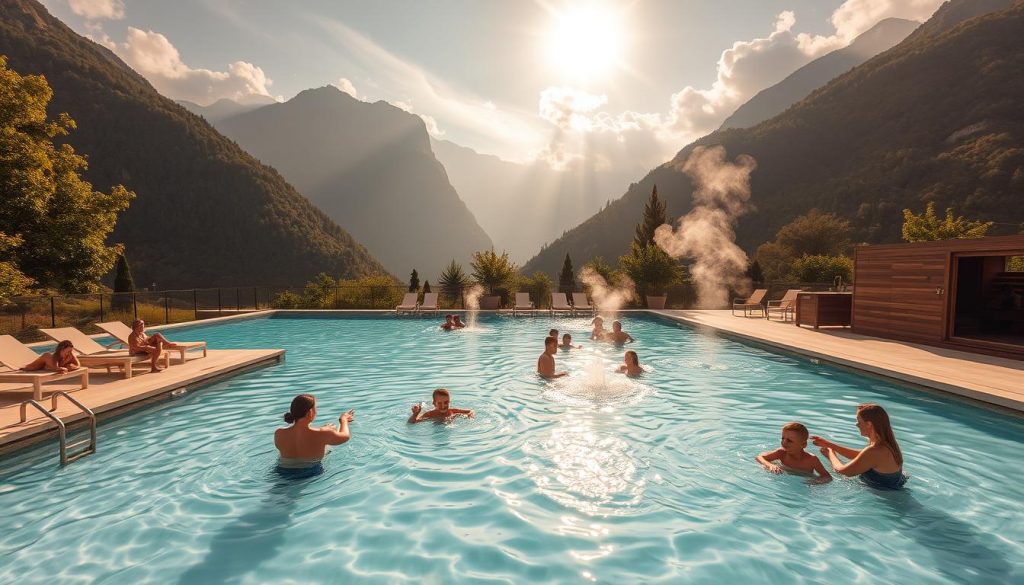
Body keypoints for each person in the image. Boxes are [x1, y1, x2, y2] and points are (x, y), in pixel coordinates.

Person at [811, 403, 907, 490]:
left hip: (886, 497)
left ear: (869, 424)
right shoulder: (888, 444)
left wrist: (830, 453)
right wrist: (829, 444)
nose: (856, 424)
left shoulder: (874, 451)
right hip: (893, 489)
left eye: (859, 421)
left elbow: (842, 471)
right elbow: (862, 456)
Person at [274, 394, 354, 477]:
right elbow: (345, 436)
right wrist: (343, 420)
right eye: (315, 409)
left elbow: (302, 437)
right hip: (311, 473)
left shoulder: (279, 433)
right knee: (328, 447)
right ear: (310, 413)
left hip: (282, 471)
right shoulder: (323, 434)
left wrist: (324, 430)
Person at [756, 422, 832, 481]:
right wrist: (770, 465)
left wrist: (815, 482)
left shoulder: (812, 460)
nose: (784, 442)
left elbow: (827, 477)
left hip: (804, 481)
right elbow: (759, 457)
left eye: (789, 440)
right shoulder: (781, 453)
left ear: (803, 445)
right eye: (783, 438)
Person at [408, 388, 474, 423]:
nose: (443, 406)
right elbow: (412, 422)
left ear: (449, 402)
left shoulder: (452, 411)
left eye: (446, 402)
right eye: (439, 403)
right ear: (434, 403)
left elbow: (471, 411)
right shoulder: (429, 414)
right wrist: (415, 414)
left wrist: (471, 415)